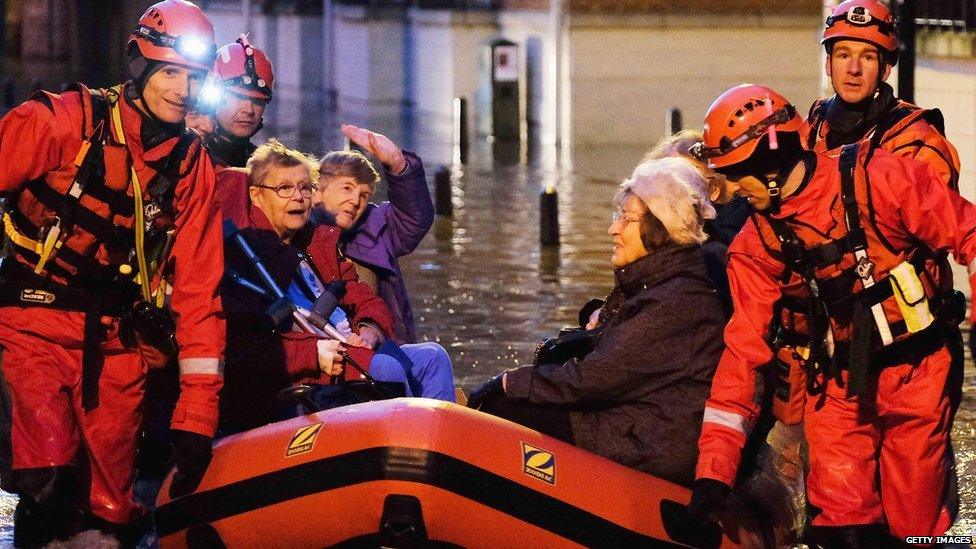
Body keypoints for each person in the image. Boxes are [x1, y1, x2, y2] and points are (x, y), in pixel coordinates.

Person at [689, 84, 976, 545]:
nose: (735, 189)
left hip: (917, 376)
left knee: (915, 528)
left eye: (739, 173)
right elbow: (741, 358)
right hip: (836, 386)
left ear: (772, 159)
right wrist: (713, 473)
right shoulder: (755, 246)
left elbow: (968, 232)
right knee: (841, 530)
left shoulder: (878, 177)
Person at [0, 0, 224, 545]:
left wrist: (197, 414)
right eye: (170, 72)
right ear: (140, 67)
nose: (182, 89)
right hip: (31, 323)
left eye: (194, 77)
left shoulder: (193, 169)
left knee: (113, 510)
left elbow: (199, 293)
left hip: (118, 345)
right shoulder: (58, 122)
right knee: (45, 482)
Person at [468, 156, 725, 487]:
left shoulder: (677, 303)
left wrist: (507, 382)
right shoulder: (658, 287)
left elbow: (594, 378)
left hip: (649, 440)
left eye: (626, 220)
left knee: (504, 408)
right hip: (635, 420)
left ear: (660, 230)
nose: (613, 229)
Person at [217, 139, 455, 434]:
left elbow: (365, 298)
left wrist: (369, 331)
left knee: (432, 356)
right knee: (386, 368)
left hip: (352, 348)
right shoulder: (245, 256)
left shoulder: (319, 245)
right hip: (317, 368)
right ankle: (405, 446)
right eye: (285, 189)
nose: (298, 197)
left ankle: (439, 445)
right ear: (256, 195)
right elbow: (247, 343)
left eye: (305, 188)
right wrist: (316, 352)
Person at [312, 124, 434, 344]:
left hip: (381, 343)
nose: (355, 201)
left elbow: (415, 219)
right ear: (318, 190)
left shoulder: (373, 226)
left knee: (434, 354)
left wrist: (398, 163)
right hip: (323, 347)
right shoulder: (297, 228)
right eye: (347, 188)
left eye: (364, 194)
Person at [205, 35, 274, 168]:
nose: (249, 109)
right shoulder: (185, 158)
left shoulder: (266, 168)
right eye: (238, 97)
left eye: (258, 101)